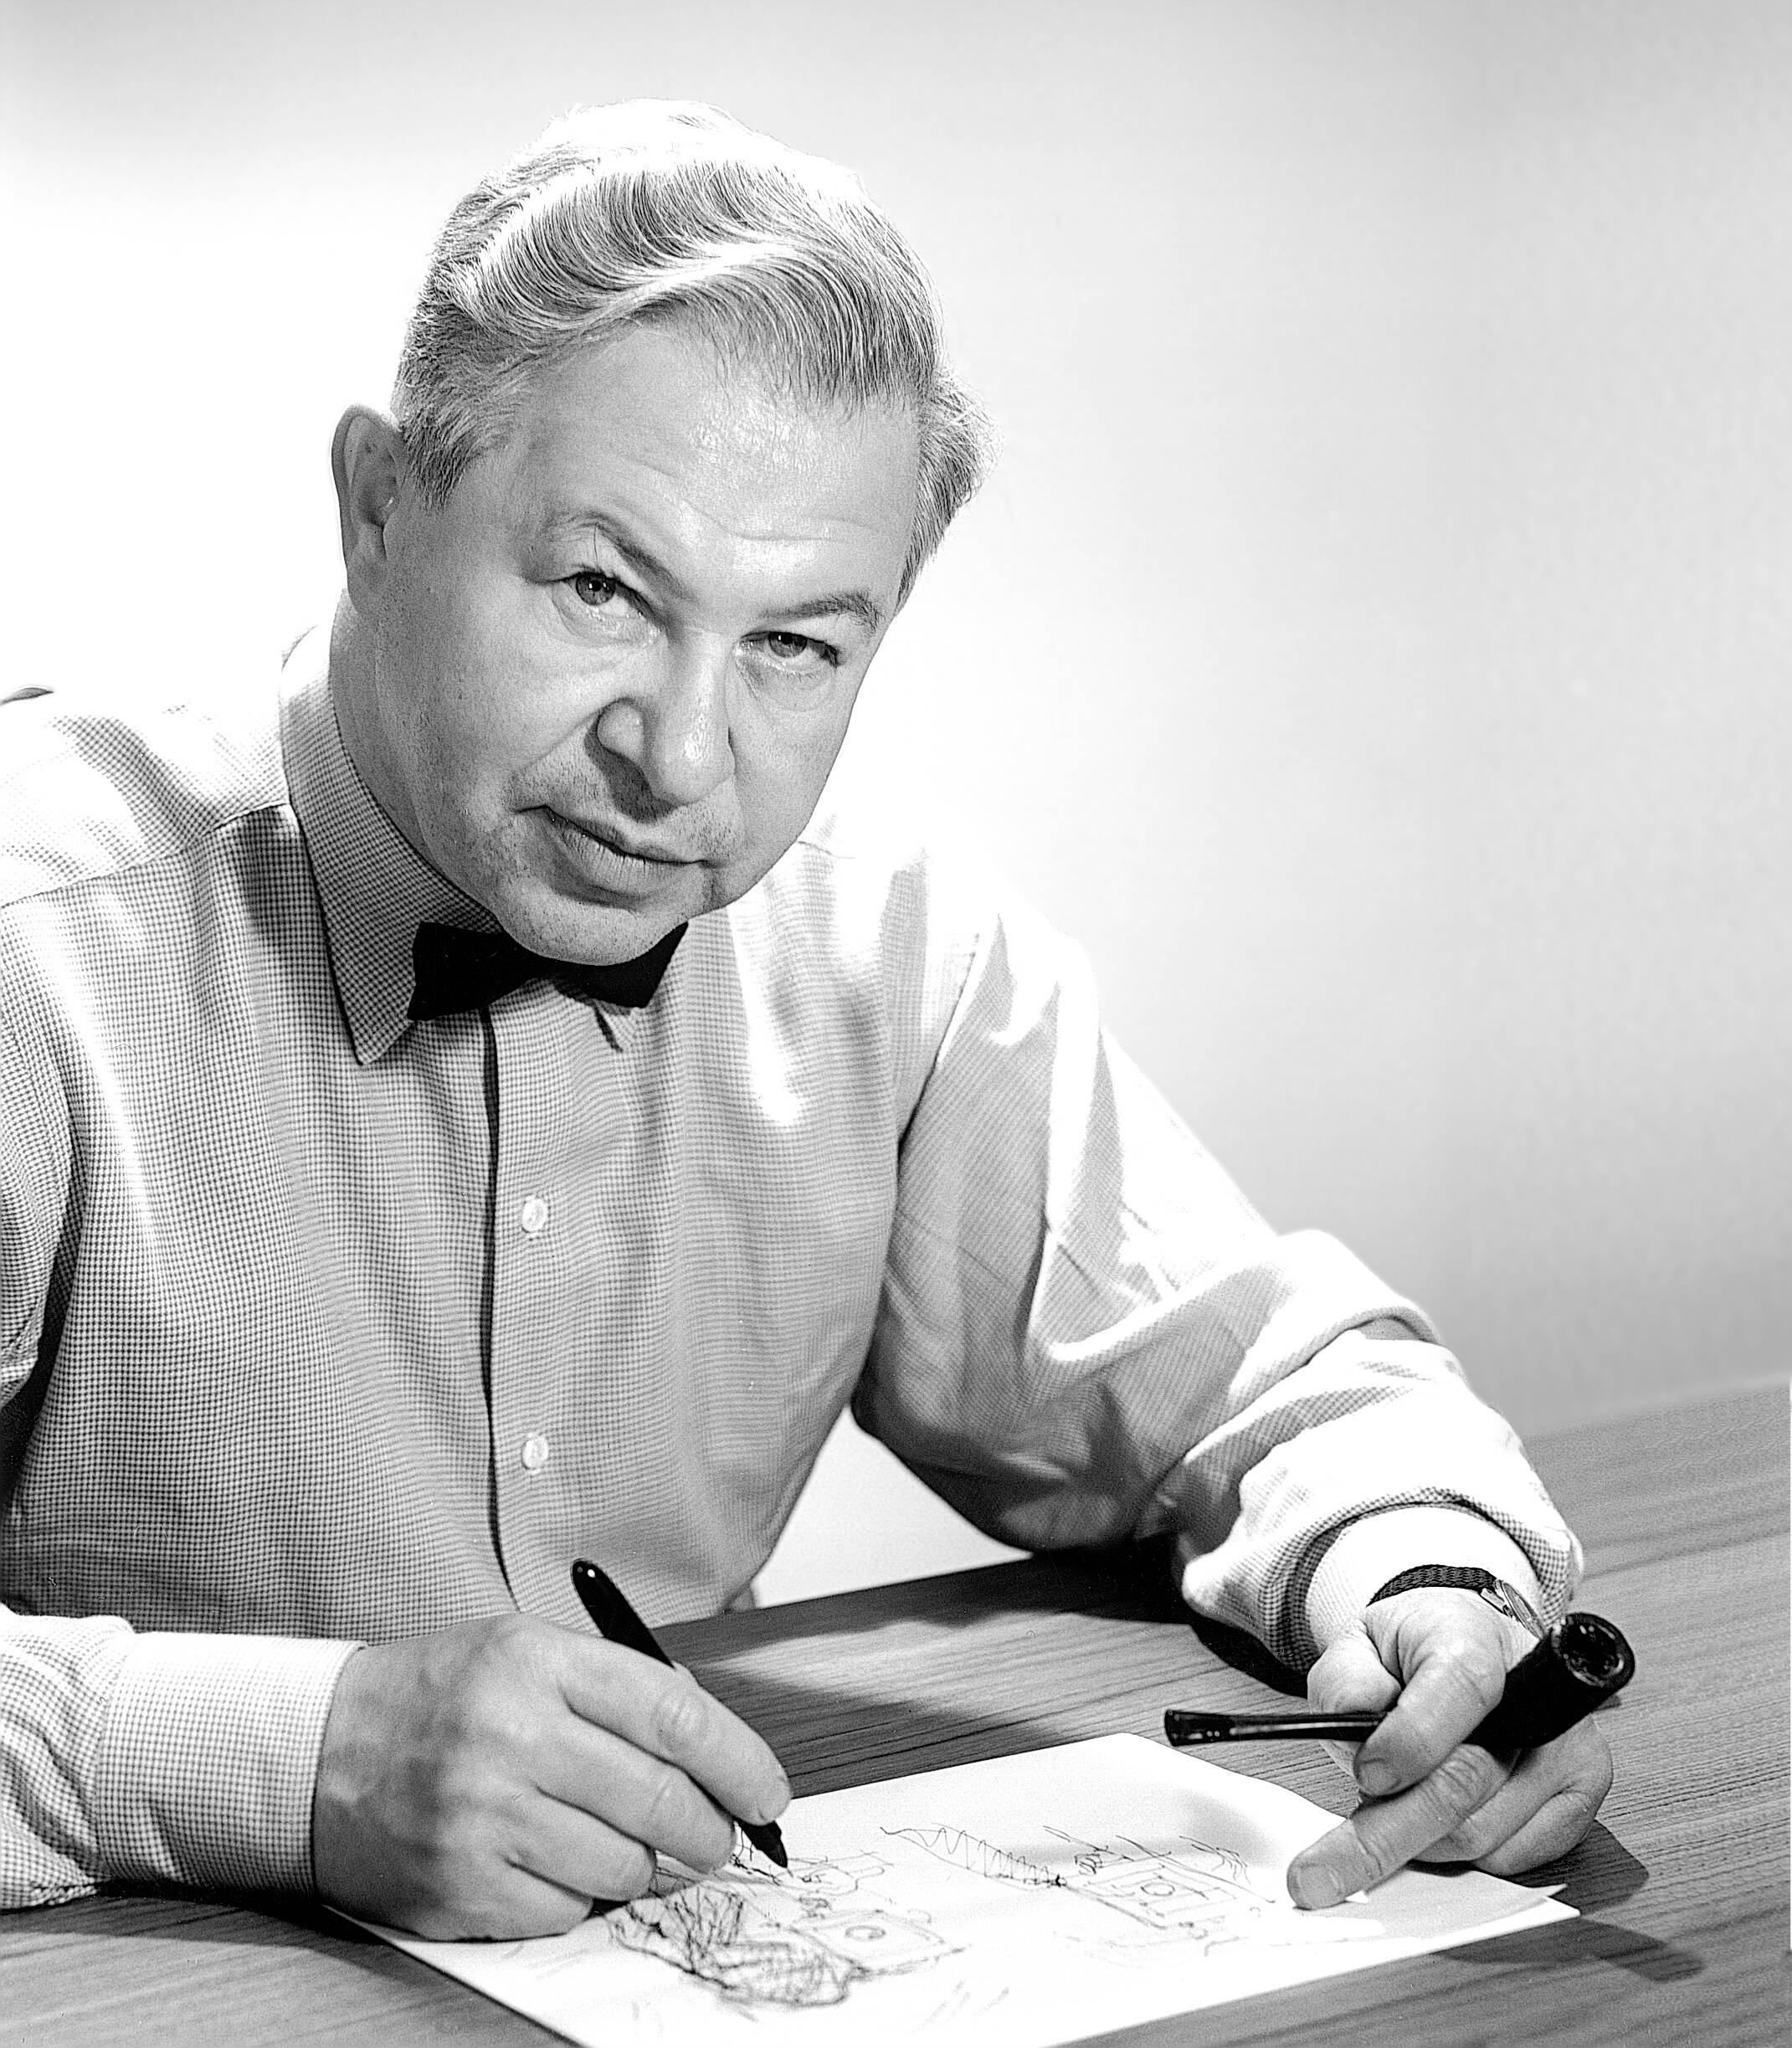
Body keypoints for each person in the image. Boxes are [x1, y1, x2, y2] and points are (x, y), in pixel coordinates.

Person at [0, 100, 1610, 1938]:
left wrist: (1439, 1591)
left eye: (796, 645)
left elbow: (1275, 1380)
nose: (681, 759)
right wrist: (297, 1758)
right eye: (603, 586)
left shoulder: (883, 943)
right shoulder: (32, 939)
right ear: (380, 508)